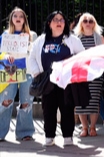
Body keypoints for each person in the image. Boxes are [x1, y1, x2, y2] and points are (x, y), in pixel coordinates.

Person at [27, 11, 84, 147]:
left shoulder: (72, 39)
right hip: (47, 80)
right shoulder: (41, 40)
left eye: (62, 20)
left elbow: (82, 56)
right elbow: (32, 57)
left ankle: (68, 136)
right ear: (49, 23)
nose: (59, 22)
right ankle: (49, 136)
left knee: (67, 108)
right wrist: (36, 73)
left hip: (66, 80)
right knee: (48, 108)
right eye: (55, 20)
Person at [0, 8, 38, 142]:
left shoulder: (31, 35)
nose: (18, 18)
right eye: (15, 15)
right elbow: (1, 53)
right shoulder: (5, 35)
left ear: (24, 19)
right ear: (11, 19)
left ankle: (25, 132)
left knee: (26, 102)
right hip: (10, 71)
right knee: (6, 101)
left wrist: (28, 42)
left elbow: (35, 53)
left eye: (21, 16)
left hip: (27, 72)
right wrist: (7, 56)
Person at [73, 12, 104, 137]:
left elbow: (103, 54)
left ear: (94, 24)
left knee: (94, 100)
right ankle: (84, 128)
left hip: (95, 73)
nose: (88, 23)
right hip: (80, 73)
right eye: (85, 21)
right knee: (80, 100)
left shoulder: (99, 37)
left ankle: (92, 127)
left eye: (90, 21)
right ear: (81, 23)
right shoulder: (76, 38)